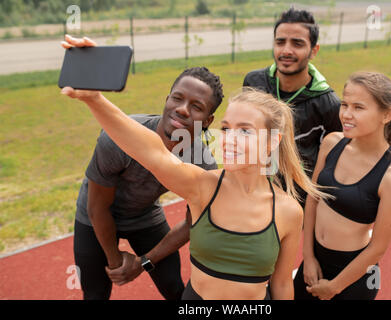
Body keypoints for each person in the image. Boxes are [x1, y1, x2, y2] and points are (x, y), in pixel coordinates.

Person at [61, 53, 330, 300]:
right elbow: (150, 150)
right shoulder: (202, 186)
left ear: (272, 141)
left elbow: (282, 284)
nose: (230, 140)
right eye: (227, 129)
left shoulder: (289, 211)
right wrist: (94, 99)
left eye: (245, 131)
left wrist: (145, 260)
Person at [61, 35, 224, 300]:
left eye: (196, 107)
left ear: (209, 119)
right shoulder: (119, 138)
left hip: (144, 216)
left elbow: (193, 222)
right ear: (167, 99)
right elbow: (97, 206)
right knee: (95, 293)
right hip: (95, 215)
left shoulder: (203, 162)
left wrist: (144, 262)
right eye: (177, 98)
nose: (183, 110)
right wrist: (115, 261)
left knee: (174, 287)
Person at [294, 71, 391, 300]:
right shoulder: (331, 143)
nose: (346, 114)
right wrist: (308, 256)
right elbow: (313, 199)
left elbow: (378, 248)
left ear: (386, 115)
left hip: (352, 278)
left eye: (358, 107)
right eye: (344, 104)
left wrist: (335, 287)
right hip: (313, 264)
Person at [243, 8, 342, 206]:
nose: (286, 50)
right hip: (251, 191)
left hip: (296, 203)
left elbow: (330, 168)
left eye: (297, 43)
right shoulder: (253, 82)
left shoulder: (329, 104)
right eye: (280, 42)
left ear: (314, 50)